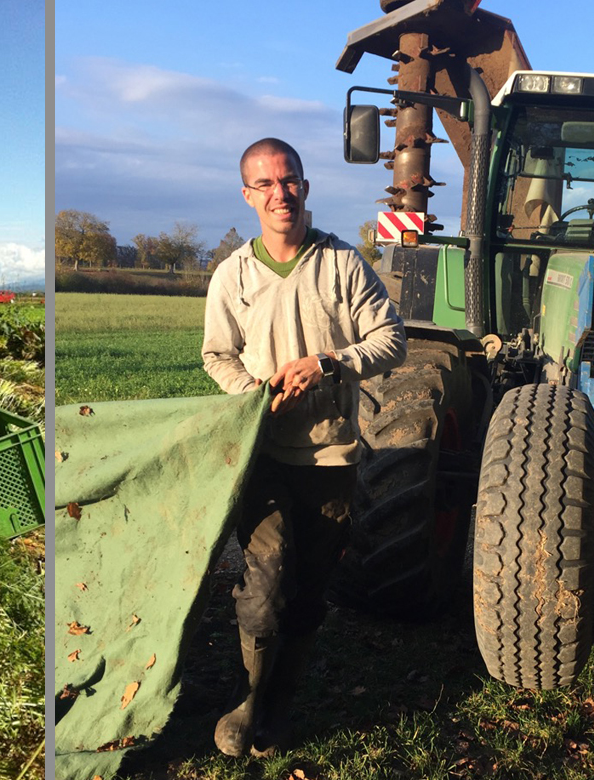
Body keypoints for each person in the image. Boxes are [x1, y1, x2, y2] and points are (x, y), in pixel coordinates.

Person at [201, 138, 407, 758]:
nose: (279, 194)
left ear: (305, 186)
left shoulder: (342, 265)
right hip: (262, 454)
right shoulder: (232, 274)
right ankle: (247, 700)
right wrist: (253, 394)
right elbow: (217, 355)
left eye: (288, 180)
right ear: (247, 194)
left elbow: (390, 340)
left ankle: (282, 700)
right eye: (264, 185)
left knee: (308, 590)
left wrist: (329, 364)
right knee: (261, 589)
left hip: (331, 460)